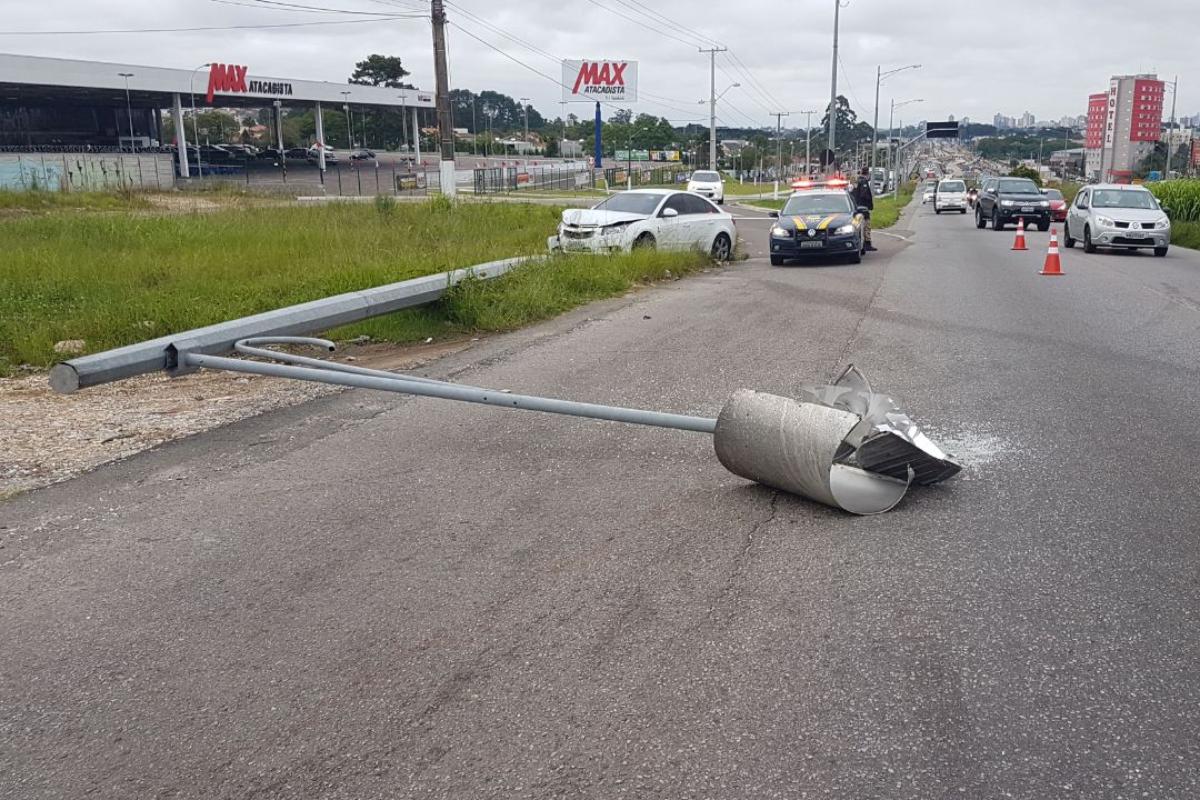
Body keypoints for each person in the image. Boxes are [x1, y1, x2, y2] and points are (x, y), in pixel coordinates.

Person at [853, 167, 876, 251]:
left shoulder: (857, 181)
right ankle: (867, 243)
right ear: (867, 173)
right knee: (866, 225)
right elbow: (864, 194)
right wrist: (867, 204)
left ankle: (863, 243)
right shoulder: (863, 182)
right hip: (863, 207)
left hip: (857, 207)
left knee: (860, 225)